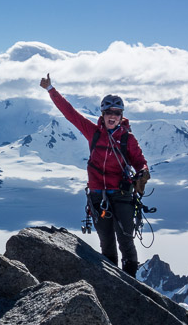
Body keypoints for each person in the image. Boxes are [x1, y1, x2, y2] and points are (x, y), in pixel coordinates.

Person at [40, 74, 150, 276]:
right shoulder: (94, 132)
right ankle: (114, 283)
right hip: (98, 196)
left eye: (116, 112)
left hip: (121, 194)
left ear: (121, 115)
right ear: (102, 113)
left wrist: (142, 172)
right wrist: (51, 90)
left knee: (126, 239)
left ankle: (130, 284)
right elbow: (71, 114)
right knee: (107, 241)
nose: (112, 115)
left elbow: (139, 161)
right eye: (109, 111)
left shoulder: (128, 139)